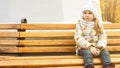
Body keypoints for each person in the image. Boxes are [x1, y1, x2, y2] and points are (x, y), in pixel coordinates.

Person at [74, 1, 115, 68]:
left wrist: (99, 47)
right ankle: (89, 66)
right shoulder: (80, 24)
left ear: (94, 15)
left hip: (97, 47)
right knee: (87, 52)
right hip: (83, 48)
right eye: (85, 13)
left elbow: (102, 36)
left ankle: (108, 65)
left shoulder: (98, 24)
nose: (87, 15)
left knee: (105, 51)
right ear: (82, 14)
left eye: (90, 13)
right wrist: (90, 47)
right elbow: (78, 37)